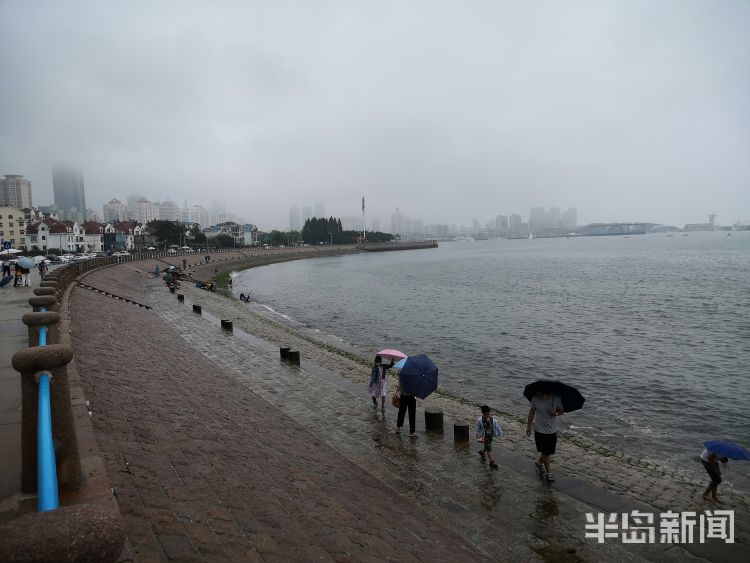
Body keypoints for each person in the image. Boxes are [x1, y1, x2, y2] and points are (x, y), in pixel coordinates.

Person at [526, 384, 564, 482]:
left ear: (549, 393)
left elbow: (562, 411)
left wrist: (555, 413)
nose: (543, 397)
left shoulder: (556, 399)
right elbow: (531, 412)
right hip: (539, 430)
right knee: (546, 452)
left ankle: (539, 463)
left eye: (545, 395)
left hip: (551, 431)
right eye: (540, 394)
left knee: (547, 452)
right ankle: (548, 473)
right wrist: (528, 427)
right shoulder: (535, 398)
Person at [476, 405, 503, 470]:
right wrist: (479, 436)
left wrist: (500, 434)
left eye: (488, 414)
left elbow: (497, 427)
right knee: (488, 449)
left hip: (490, 436)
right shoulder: (480, 421)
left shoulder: (492, 420)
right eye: (485, 414)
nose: (486, 416)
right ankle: (492, 462)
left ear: (490, 413)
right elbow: (478, 429)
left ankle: (482, 452)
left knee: (488, 446)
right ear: (482, 414)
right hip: (484, 437)